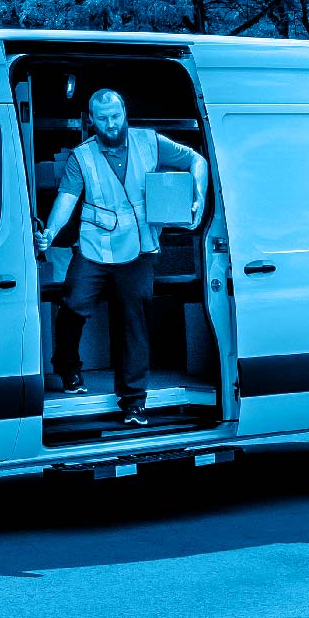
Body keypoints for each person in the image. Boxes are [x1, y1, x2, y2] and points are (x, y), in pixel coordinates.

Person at [36, 89, 209, 425]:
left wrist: (198, 195)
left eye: (115, 116)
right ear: (91, 119)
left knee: (134, 321)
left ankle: (133, 403)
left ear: (125, 111)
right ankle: (68, 367)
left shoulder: (150, 142)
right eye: (103, 118)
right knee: (73, 304)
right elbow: (67, 199)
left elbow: (196, 161)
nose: (111, 124)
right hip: (95, 247)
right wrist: (50, 235)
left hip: (140, 249)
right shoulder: (81, 156)